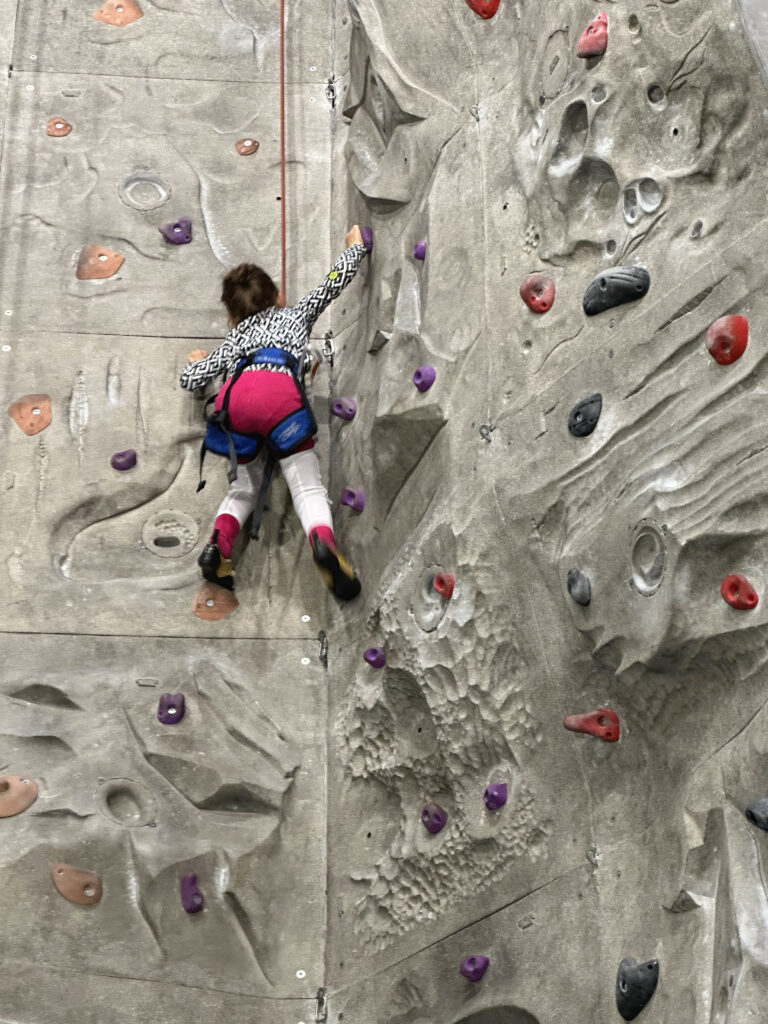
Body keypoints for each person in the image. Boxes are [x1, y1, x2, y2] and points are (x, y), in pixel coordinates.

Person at [180, 226, 369, 601]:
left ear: (233, 318)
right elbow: (333, 283)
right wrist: (356, 248)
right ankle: (322, 542)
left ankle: (218, 546)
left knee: (243, 488)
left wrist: (196, 363)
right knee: (306, 484)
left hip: (237, 406)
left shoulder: (234, 339)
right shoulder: (296, 315)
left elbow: (191, 380)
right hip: (281, 402)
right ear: (279, 297)